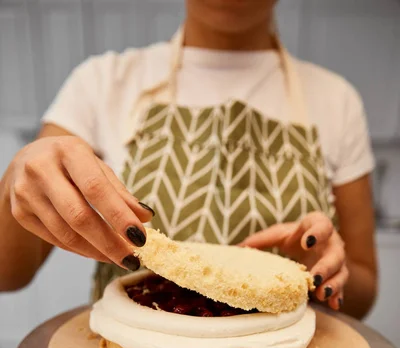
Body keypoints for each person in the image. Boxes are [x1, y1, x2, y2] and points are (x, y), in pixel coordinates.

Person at [0, 0, 377, 318]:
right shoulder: (102, 82)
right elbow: (8, 275)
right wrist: (15, 183)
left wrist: (319, 271)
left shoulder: (336, 100)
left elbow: (362, 296)